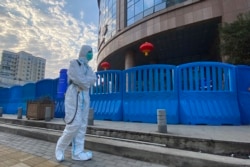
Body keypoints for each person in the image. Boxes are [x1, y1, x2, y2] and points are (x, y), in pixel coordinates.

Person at [55, 45, 96, 162]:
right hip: (74, 96)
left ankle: (78, 152)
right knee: (74, 124)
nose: (91, 54)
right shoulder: (74, 64)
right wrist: (86, 81)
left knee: (82, 125)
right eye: (89, 52)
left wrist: (85, 81)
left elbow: (93, 79)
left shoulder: (89, 68)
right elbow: (79, 79)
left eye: (92, 52)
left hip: (85, 97)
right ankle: (60, 148)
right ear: (83, 52)